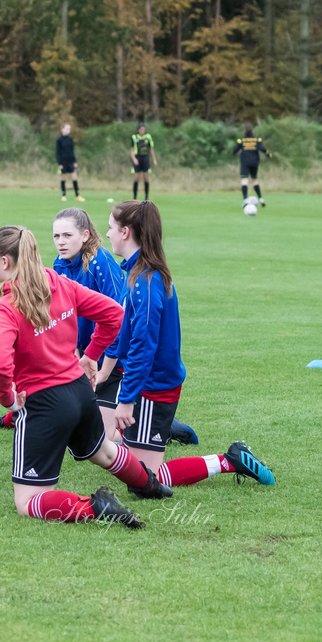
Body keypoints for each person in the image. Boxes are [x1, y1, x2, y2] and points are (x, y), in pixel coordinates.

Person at [0, 225, 172, 528]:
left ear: (4, 261)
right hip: (82, 393)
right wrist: (89, 356)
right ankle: (150, 486)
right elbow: (115, 314)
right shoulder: (59, 283)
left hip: (45, 404)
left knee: (27, 502)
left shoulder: (7, 308)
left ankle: (95, 507)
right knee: (103, 451)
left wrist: (8, 398)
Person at [0, 208, 199, 446]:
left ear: (86, 235)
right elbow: (58, 317)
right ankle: (11, 417)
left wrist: (104, 369)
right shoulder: (59, 264)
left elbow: (118, 319)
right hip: (87, 359)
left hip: (112, 362)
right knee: (64, 410)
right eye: (56, 236)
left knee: (102, 439)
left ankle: (158, 426)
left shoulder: (102, 263)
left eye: (67, 235)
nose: (61, 242)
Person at [95, 201, 275, 493]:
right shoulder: (137, 273)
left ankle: (230, 461)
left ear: (125, 232)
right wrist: (103, 370)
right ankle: (165, 436)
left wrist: (127, 399)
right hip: (147, 385)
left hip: (153, 388)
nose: (108, 233)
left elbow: (143, 346)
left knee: (145, 482)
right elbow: (125, 330)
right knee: (130, 464)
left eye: (111, 228)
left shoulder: (146, 281)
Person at [233, 124, 267, 207]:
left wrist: (234, 153)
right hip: (255, 162)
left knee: (244, 180)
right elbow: (263, 149)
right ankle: (261, 198)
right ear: (252, 131)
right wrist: (269, 155)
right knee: (254, 180)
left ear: (244, 131)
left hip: (245, 162)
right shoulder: (257, 140)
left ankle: (245, 200)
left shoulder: (241, 140)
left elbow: (234, 150)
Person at [55, 123, 84, 203]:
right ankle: (63, 195)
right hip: (63, 162)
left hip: (71, 161)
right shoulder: (59, 140)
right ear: (62, 129)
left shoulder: (70, 139)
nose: (68, 130)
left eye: (69, 129)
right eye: (67, 129)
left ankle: (77, 195)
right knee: (63, 178)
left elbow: (72, 151)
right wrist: (59, 163)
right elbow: (58, 153)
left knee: (74, 177)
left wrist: (74, 161)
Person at [129, 123, 157, 200]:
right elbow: (131, 150)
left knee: (146, 178)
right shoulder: (134, 137)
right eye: (141, 129)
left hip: (145, 158)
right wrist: (134, 159)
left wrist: (154, 159)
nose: (142, 131)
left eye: (143, 129)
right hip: (137, 158)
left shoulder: (148, 137)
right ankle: (134, 197)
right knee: (136, 178)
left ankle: (146, 197)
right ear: (138, 130)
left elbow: (151, 149)